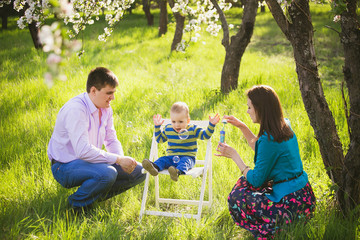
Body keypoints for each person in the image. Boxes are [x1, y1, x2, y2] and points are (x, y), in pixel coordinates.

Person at [216, 85, 316, 239]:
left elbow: (257, 180)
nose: (247, 111)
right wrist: (242, 126)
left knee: (238, 194)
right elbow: (262, 149)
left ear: (261, 109)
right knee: (246, 182)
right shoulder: (283, 125)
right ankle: (277, 222)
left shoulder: (268, 139)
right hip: (304, 197)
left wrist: (235, 156)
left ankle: (270, 227)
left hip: (291, 204)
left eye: (249, 107)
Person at [47, 67, 145, 211]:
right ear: (93, 91)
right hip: (64, 166)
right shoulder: (76, 109)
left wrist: (123, 161)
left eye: (114, 93)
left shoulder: (105, 108)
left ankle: (90, 201)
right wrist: (117, 160)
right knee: (108, 173)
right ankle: (74, 206)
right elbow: (82, 151)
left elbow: (111, 140)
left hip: (89, 161)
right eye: (109, 93)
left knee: (139, 171)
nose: (113, 98)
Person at [142, 102, 220, 181]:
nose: (177, 125)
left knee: (184, 162)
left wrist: (211, 125)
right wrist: (157, 127)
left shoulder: (193, 129)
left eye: (180, 122)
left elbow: (205, 135)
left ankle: (176, 172)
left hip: (188, 157)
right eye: (173, 122)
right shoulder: (168, 129)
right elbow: (160, 139)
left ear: (188, 120)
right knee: (162, 160)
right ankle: (155, 168)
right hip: (171, 158)